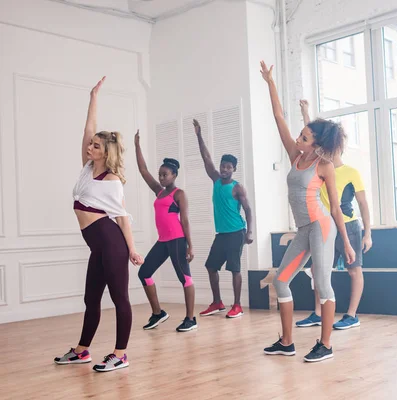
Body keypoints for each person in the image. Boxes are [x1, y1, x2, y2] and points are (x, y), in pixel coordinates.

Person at [260, 61, 356, 363]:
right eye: (299, 136)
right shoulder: (295, 156)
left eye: (304, 137)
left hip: (321, 227)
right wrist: (270, 83)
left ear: (316, 143)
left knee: (323, 283)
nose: (298, 140)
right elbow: (278, 118)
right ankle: (287, 342)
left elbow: (336, 208)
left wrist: (347, 242)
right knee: (281, 280)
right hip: (303, 228)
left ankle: (325, 345)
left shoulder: (324, 166)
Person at [54, 76, 143, 372]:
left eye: (95, 146)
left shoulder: (112, 180)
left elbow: (121, 217)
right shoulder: (87, 167)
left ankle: (120, 353)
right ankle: (82, 350)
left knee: (119, 298)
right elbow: (88, 128)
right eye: (90, 145)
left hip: (111, 243)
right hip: (98, 246)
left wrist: (131, 249)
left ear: (105, 152)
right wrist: (93, 97)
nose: (90, 146)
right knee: (90, 298)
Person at [295, 100, 373, 330]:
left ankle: (351, 315)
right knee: (319, 269)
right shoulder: (319, 168)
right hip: (324, 226)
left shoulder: (351, 172)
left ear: (336, 148)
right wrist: (305, 113)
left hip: (349, 226)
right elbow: (313, 135)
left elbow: (363, 204)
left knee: (353, 270)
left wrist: (368, 234)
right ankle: (318, 313)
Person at [134, 131, 197, 332]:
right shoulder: (159, 191)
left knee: (185, 278)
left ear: (174, 175)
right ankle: (158, 313)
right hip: (163, 241)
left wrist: (190, 246)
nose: (161, 177)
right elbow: (143, 170)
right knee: (144, 273)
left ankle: (190, 319)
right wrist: (137, 146)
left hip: (178, 240)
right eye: (160, 174)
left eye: (165, 174)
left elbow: (185, 220)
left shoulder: (179, 194)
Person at [193, 119, 253, 319]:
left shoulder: (237, 187)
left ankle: (237, 305)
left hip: (237, 233)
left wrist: (250, 232)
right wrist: (199, 135)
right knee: (211, 266)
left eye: (229, 167)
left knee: (235, 269)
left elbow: (248, 210)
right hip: (222, 234)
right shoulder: (216, 180)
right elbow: (206, 158)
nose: (225, 169)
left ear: (234, 169)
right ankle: (218, 302)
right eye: (223, 166)